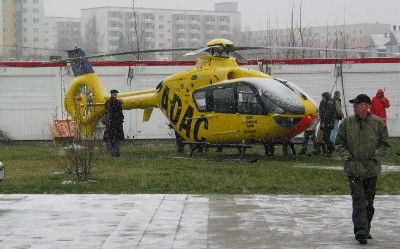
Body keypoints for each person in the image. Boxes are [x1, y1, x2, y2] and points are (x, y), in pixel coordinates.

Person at [336, 94, 390, 245]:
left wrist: (375, 158)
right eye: (354, 105)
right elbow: (339, 143)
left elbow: (385, 144)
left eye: (357, 104)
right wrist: (347, 157)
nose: (354, 107)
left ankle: (366, 228)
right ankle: (360, 231)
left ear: (366, 106)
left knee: (369, 201)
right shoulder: (347, 123)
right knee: (359, 199)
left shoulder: (378, 123)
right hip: (353, 169)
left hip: (371, 169)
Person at [103, 89, 124, 156]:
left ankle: (111, 153)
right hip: (116, 124)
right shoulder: (117, 102)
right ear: (114, 94)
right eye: (116, 94)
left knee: (110, 139)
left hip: (109, 124)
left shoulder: (107, 102)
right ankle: (116, 153)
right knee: (116, 139)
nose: (117, 95)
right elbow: (119, 114)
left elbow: (106, 113)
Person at [316, 92, 335, 156]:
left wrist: (323, 122)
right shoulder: (326, 103)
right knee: (325, 138)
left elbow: (327, 115)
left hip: (328, 124)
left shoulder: (329, 104)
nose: (322, 98)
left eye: (323, 97)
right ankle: (329, 151)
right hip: (327, 123)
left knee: (326, 138)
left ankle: (331, 148)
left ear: (325, 97)